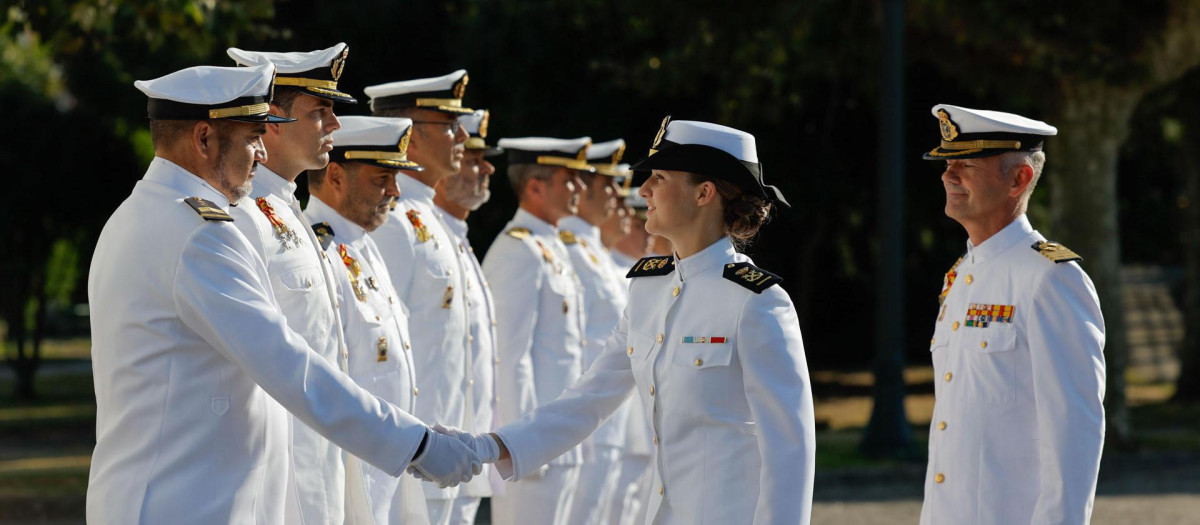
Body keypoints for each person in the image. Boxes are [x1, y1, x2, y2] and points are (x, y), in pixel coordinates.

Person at [86, 63, 480, 525]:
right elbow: (288, 363)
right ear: (204, 139)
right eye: (254, 136)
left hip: (181, 496)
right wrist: (416, 444)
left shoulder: (146, 213)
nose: (261, 153)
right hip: (186, 500)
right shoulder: (198, 233)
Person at [446, 118, 816, 525]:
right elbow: (588, 399)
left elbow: (790, 452)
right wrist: (484, 447)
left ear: (704, 193)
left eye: (658, 177)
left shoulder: (757, 303)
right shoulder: (649, 289)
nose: (643, 190)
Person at [918, 104, 1106, 524]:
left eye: (966, 164)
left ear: (1018, 179)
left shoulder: (1050, 279)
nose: (949, 175)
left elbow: (1074, 434)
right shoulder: (962, 274)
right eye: (948, 163)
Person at [224, 42, 355, 525]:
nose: (335, 126)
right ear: (272, 119)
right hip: (278, 484)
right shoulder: (241, 213)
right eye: (321, 111)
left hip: (320, 467)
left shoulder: (286, 208)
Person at [305, 116, 433, 524]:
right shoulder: (317, 251)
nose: (395, 190)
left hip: (387, 470)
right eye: (382, 178)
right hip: (348, 479)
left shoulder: (363, 244)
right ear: (337, 176)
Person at [364, 70, 475, 524]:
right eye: (448, 125)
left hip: (445, 449)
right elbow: (378, 351)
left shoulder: (429, 215)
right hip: (413, 454)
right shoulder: (395, 220)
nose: (462, 136)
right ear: (408, 132)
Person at [481, 136, 595, 525]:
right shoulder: (519, 249)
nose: (581, 188)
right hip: (534, 446)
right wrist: (522, 444)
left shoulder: (551, 244)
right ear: (534, 187)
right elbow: (509, 356)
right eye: (570, 179)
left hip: (559, 440)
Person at [432, 108, 505, 525]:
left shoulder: (456, 237)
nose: (487, 167)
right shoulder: (415, 231)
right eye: (473, 158)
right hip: (429, 449)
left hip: (465, 449)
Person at [560, 138, 632, 525]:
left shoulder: (593, 251)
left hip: (607, 416)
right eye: (606, 186)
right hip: (584, 416)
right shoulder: (568, 247)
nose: (614, 196)